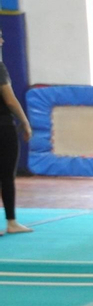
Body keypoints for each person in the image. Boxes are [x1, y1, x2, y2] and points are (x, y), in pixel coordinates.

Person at [0, 29, 32, 234]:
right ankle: (11, 222)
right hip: (3, 127)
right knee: (6, 175)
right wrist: (25, 122)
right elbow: (10, 100)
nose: (2, 40)